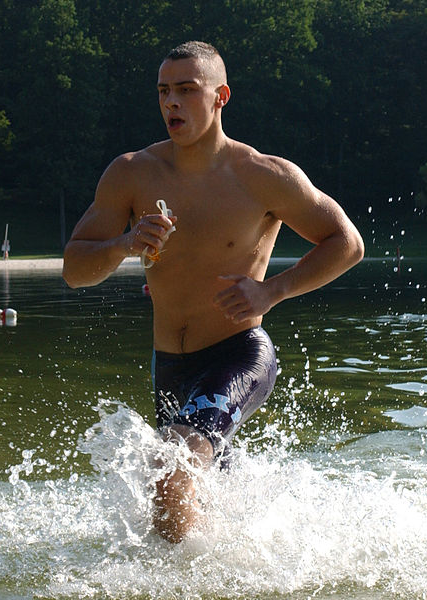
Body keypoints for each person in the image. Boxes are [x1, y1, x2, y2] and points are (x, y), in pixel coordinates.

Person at [62, 41, 364, 543]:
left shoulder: (263, 175)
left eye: (186, 90)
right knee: (193, 498)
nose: (171, 103)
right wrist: (124, 243)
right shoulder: (132, 173)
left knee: (170, 469)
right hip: (169, 366)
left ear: (220, 96)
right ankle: (225, 569)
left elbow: (346, 243)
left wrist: (273, 291)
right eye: (163, 92)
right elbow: (75, 270)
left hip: (238, 354)